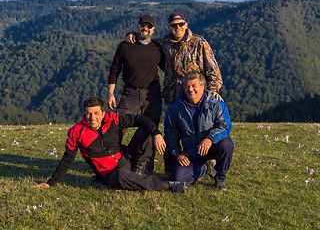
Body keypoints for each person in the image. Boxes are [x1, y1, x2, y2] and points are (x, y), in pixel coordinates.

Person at [127, 12, 223, 180]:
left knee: (199, 131)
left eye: (181, 24)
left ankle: (207, 163)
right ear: (169, 27)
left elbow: (213, 70)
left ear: (186, 25)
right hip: (173, 98)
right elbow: (147, 42)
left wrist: (213, 89)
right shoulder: (163, 42)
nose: (177, 27)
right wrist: (136, 35)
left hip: (196, 97)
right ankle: (171, 170)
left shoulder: (199, 43)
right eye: (174, 25)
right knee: (171, 132)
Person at [33, 97, 187, 193]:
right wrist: (50, 183)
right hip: (110, 174)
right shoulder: (76, 132)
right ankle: (166, 186)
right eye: (88, 113)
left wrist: (156, 134)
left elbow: (140, 119)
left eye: (96, 113)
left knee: (145, 129)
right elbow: (67, 159)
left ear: (103, 113)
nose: (92, 117)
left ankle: (140, 167)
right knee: (121, 177)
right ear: (84, 113)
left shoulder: (113, 119)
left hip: (125, 158)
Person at [107, 15, 165, 176]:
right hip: (129, 92)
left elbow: (168, 69)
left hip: (151, 94)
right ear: (137, 27)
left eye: (148, 26)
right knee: (117, 128)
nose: (145, 28)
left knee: (150, 128)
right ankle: (111, 163)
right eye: (142, 25)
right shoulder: (125, 46)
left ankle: (143, 165)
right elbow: (115, 69)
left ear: (153, 29)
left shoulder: (158, 48)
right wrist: (110, 93)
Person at [164, 71, 234, 191]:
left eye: (194, 85)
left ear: (202, 87)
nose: (190, 89)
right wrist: (177, 153)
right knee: (178, 179)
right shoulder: (177, 106)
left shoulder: (216, 102)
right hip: (192, 152)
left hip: (212, 147)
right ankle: (205, 168)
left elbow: (225, 126)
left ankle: (220, 178)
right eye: (187, 86)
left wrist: (210, 139)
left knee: (227, 144)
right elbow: (170, 132)